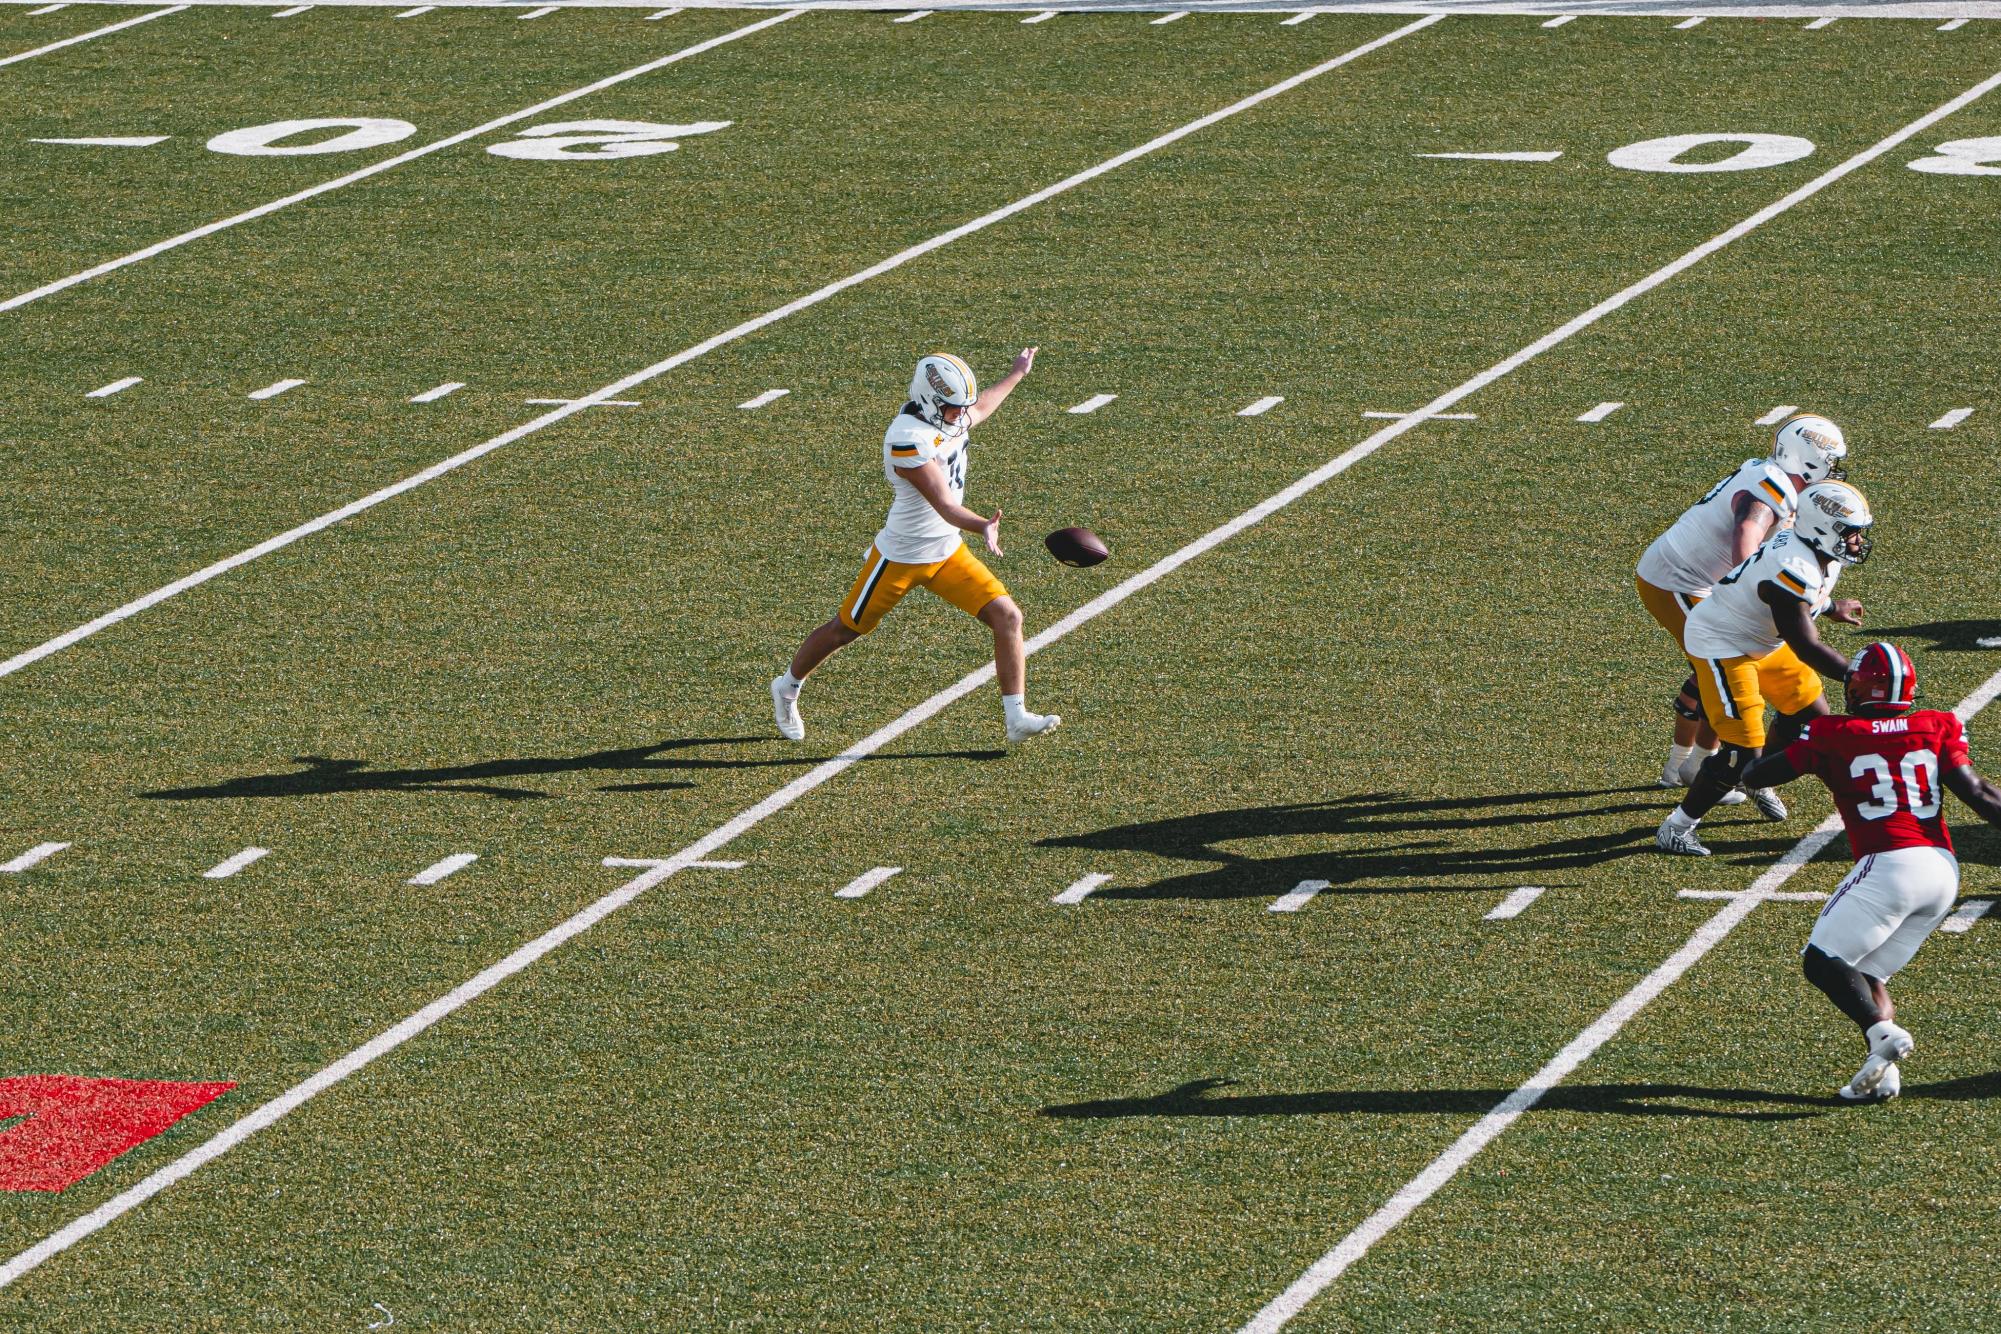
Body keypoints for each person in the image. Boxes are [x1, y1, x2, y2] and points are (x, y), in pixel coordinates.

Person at [1742, 642, 2001, 1101]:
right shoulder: (1937, 724)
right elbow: (1979, 793)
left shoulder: (1831, 732)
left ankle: (1882, 1034)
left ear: (1860, 686)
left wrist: (1786, 736)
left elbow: (1760, 776)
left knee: (1820, 960)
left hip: (1889, 863)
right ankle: (1884, 1072)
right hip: (1943, 871)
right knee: (1868, 974)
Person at [771, 349, 1062, 744]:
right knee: (844, 631)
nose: (962, 414)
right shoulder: (907, 439)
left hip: (946, 553)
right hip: (901, 558)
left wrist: (1016, 374)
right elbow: (944, 505)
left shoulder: (945, 417)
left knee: (1008, 617)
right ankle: (787, 687)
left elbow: (982, 408)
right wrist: (983, 526)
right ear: (931, 401)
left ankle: (1016, 718)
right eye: (953, 408)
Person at [1635, 414, 1848, 801]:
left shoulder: (1773, 476)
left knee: (1723, 667)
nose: (1834, 471)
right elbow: (1748, 530)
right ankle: (1695, 765)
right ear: (1811, 460)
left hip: (1697, 580)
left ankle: (1689, 762)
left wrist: (1826, 603)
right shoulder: (1775, 487)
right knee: (1725, 660)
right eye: (1830, 462)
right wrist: (1749, 584)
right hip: (1678, 581)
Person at [1655, 480, 1873, 856]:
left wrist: (1830, 606)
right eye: (1851, 533)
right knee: (1742, 749)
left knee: (1809, 714)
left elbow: (1796, 605)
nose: (1856, 541)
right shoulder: (1795, 567)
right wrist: (1856, 675)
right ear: (1824, 528)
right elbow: (1805, 643)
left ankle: (1749, 780)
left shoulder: (1812, 553)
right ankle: (1677, 827)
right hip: (1723, 642)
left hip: (1760, 636)